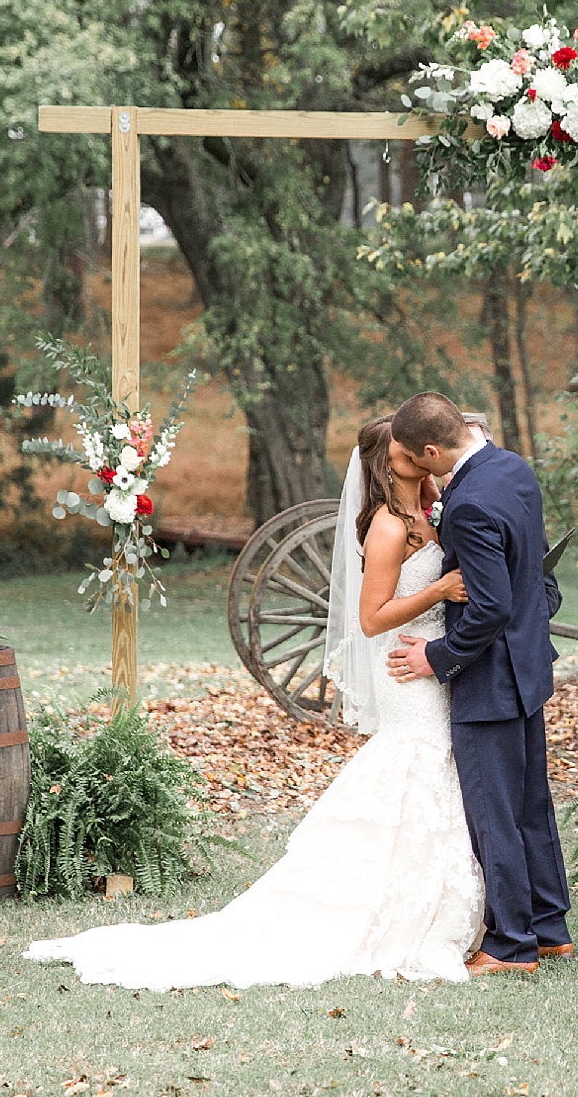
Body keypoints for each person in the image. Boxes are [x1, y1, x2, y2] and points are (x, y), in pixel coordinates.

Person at [25, 415, 481, 988]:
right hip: (404, 668)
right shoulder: (389, 525)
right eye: (404, 449)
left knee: (436, 771)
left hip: (433, 662)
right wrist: (439, 589)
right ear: (388, 461)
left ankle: (437, 898)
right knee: (415, 765)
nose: (417, 453)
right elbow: (370, 620)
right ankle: (391, 911)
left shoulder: (432, 511)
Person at [386, 391, 572, 975]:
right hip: (528, 669)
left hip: (489, 679)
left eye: (419, 461)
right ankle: (549, 928)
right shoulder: (512, 466)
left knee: (494, 814)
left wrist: (436, 658)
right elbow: (535, 572)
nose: (419, 472)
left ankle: (511, 945)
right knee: (530, 806)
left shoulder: (466, 505)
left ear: (435, 449)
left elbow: (488, 607)